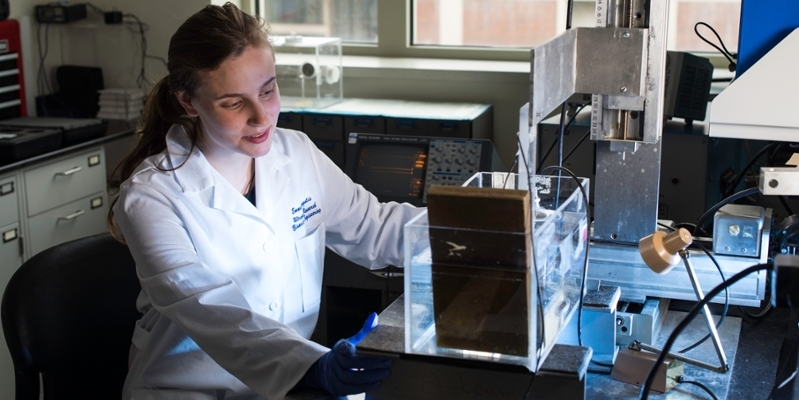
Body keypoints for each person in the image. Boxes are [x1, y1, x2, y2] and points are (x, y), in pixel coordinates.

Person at [107, 3, 423, 399]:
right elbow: (208, 306)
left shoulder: (297, 154)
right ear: (189, 102)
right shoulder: (151, 196)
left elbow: (375, 228)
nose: (262, 117)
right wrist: (312, 365)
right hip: (187, 388)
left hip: (287, 385)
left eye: (268, 90)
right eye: (234, 103)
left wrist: (483, 230)